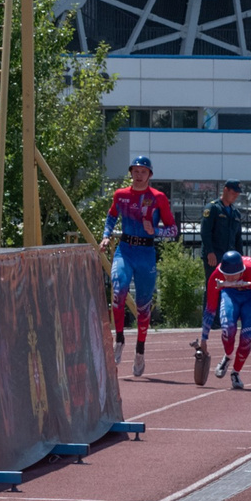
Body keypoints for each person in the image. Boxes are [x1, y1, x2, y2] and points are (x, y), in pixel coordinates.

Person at [103, 155, 176, 377]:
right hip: (125, 249)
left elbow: (173, 230)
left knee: (144, 306)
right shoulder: (121, 195)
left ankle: (140, 350)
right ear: (131, 172)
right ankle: (120, 338)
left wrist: (157, 231)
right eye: (135, 170)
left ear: (150, 174)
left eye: (143, 171)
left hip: (146, 253)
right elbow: (111, 216)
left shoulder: (158, 198)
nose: (139, 174)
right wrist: (106, 236)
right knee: (118, 290)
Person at [202, 249, 251, 390]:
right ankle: (228, 356)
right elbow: (210, 308)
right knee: (228, 328)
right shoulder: (216, 275)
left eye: (234, 277)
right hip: (230, 295)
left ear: (242, 271)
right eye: (226, 276)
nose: (230, 280)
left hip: (250, 296)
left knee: (247, 337)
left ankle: (236, 372)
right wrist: (204, 339)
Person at [199, 179, 246, 272]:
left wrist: (241, 257)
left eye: (238, 193)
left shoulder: (236, 212)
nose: (236, 195)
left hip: (230, 257)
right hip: (215, 255)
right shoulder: (213, 208)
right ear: (225, 190)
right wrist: (210, 252)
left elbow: (238, 237)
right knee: (214, 284)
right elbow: (205, 231)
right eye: (234, 192)